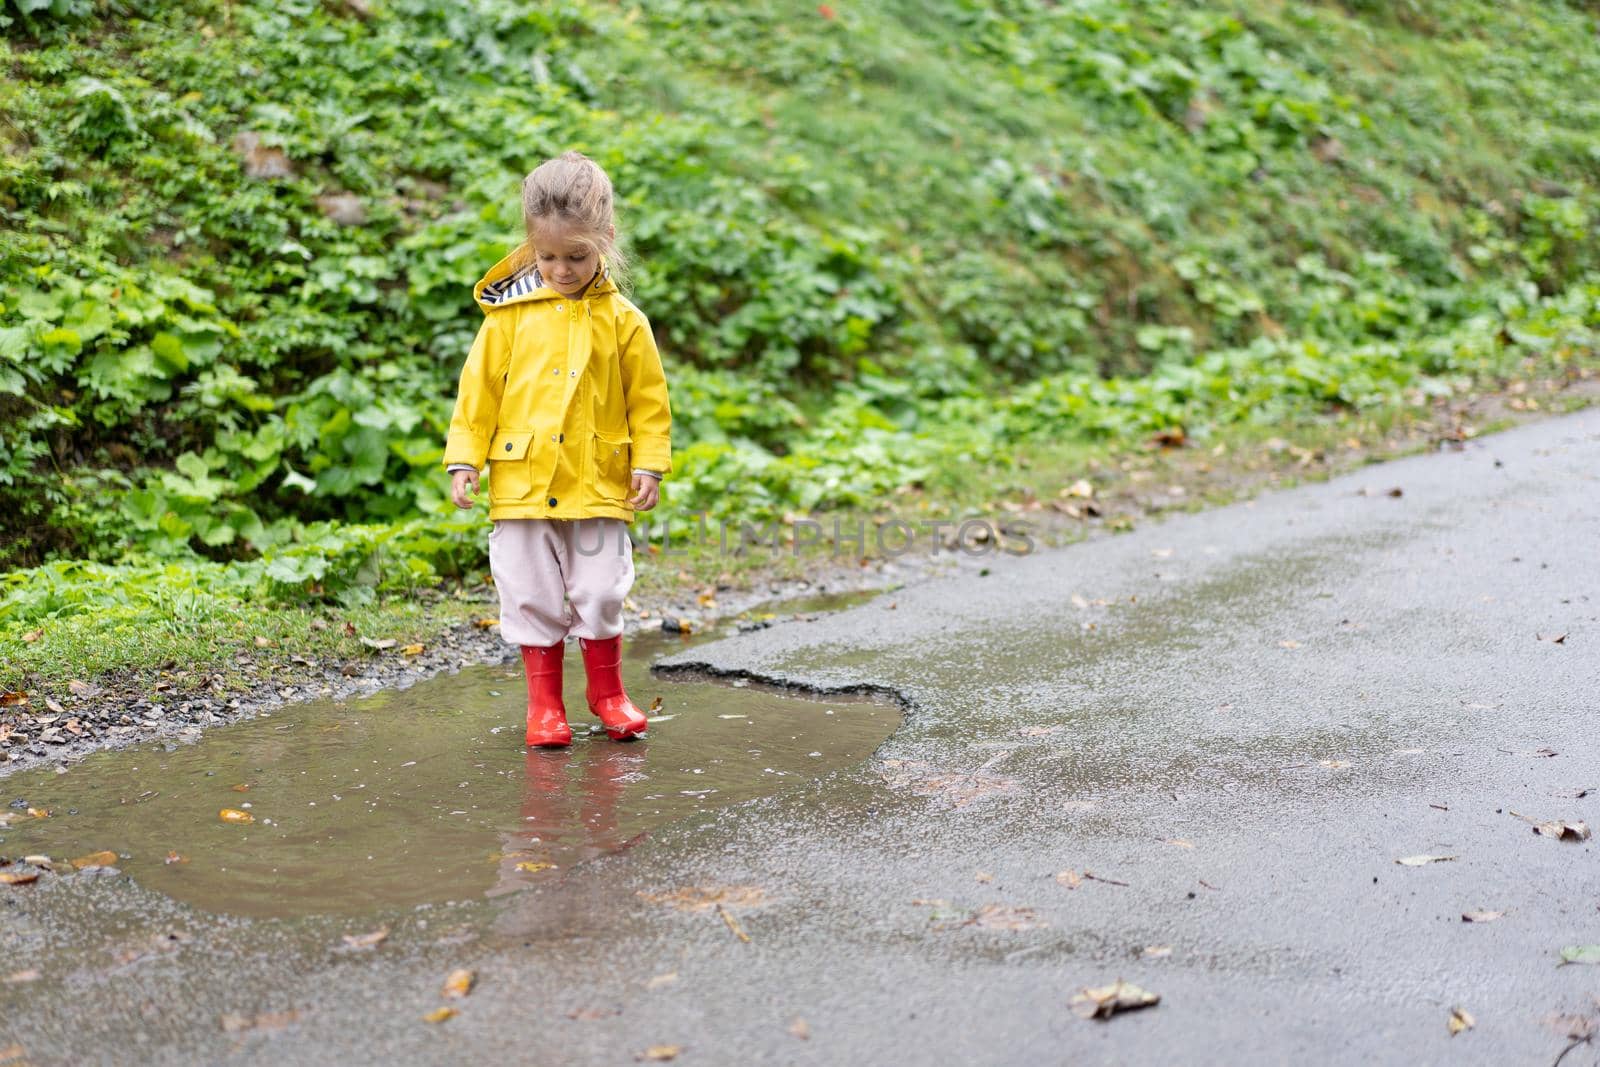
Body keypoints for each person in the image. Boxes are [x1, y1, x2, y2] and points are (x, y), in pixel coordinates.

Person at [442, 151, 671, 749]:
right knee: (529, 591)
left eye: (577, 257)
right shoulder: (508, 318)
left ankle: (606, 692)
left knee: (600, 588)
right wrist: (465, 457)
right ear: (529, 246)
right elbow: (478, 393)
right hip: (521, 483)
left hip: (599, 483)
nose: (562, 270)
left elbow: (649, 399)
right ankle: (544, 707)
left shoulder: (625, 322)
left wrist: (649, 462)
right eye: (547, 258)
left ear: (606, 241)